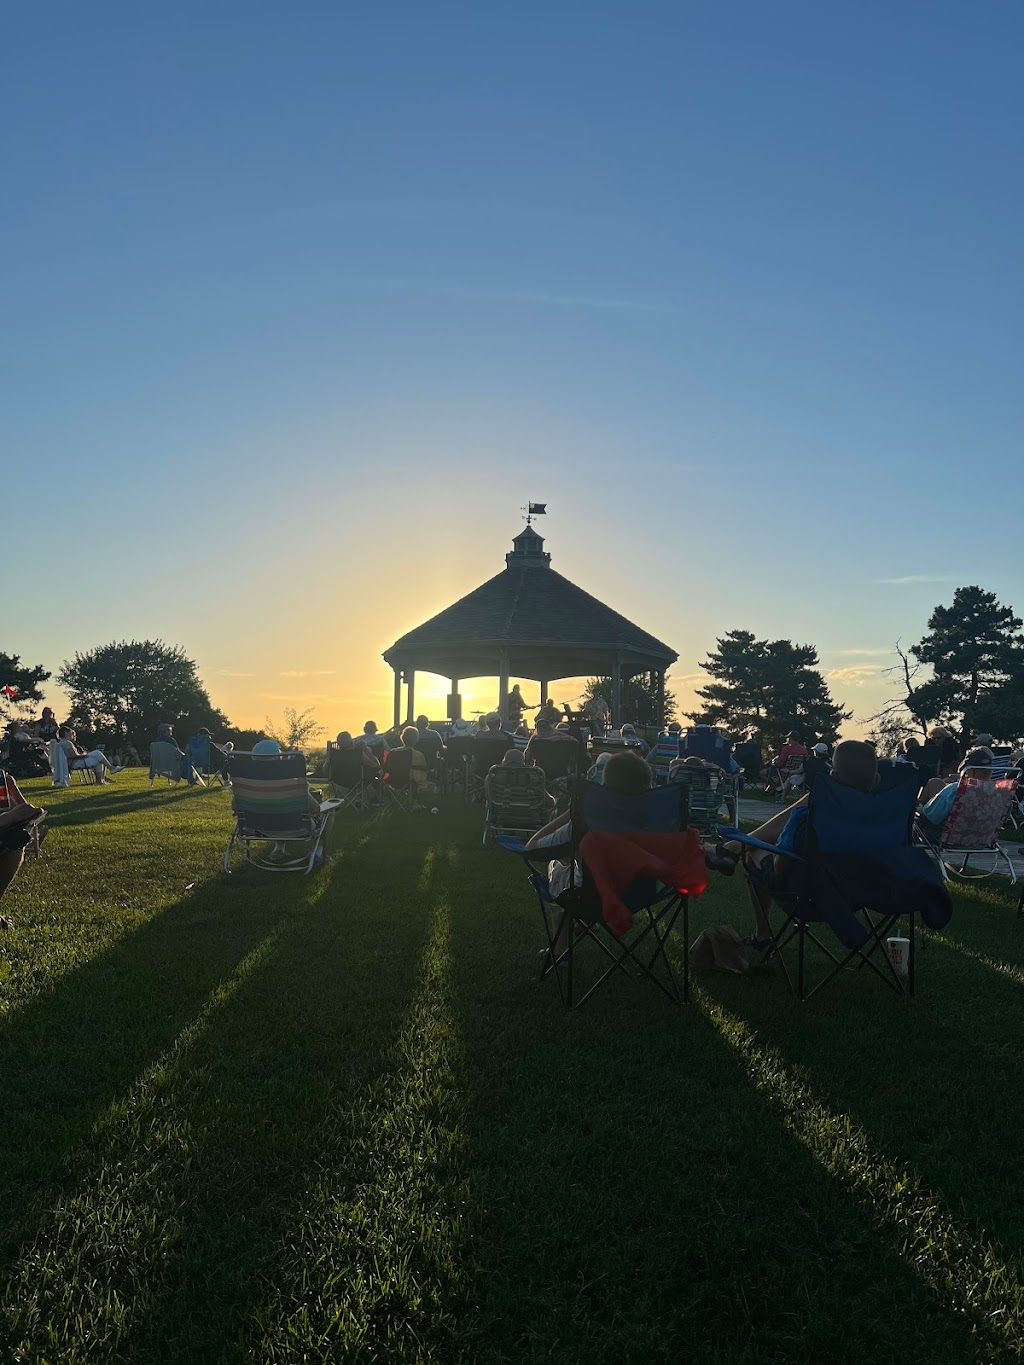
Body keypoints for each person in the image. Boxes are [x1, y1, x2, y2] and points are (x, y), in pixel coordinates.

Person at [721, 740, 880, 950]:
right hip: (861, 890)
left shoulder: (807, 816)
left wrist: (775, 856)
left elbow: (781, 864)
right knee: (764, 843)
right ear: (875, 779)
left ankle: (762, 937)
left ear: (833, 776)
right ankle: (732, 847)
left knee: (754, 851)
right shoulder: (882, 814)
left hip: (808, 892)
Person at [916, 747, 994, 842]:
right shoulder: (997, 794)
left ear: (968, 771)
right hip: (982, 839)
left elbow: (931, 816)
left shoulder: (956, 790)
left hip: (944, 837)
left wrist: (918, 810)